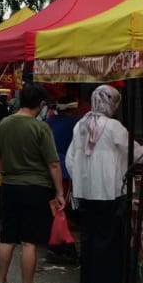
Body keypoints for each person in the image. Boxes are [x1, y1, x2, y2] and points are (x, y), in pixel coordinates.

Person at [65, 86, 143, 283]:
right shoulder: (114, 127)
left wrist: (82, 180)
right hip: (109, 193)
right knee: (109, 240)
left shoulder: (81, 125)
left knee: (88, 237)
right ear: (112, 103)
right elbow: (135, 153)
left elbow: (70, 158)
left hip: (85, 192)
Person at [0, 83, 64, 283]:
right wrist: (60, 191)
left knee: (7, 236)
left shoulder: (4, 124)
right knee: (30, 241)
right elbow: (53, 163)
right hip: (36, 188)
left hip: (10, 186)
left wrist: (7, 173)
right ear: (41, 104)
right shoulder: (40, 128)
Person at [46, 96, 80, 263]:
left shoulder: (49, 122)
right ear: (72, 109)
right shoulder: (75, 123)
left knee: (55, 206)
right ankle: (63, 244)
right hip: (64, 169)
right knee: (61, 207)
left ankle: (57, 242)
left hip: (48, 169)